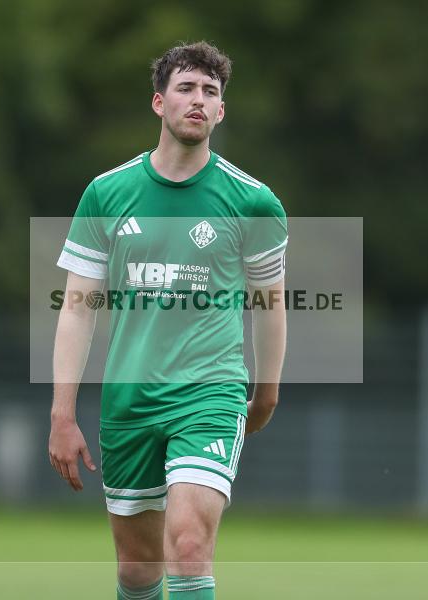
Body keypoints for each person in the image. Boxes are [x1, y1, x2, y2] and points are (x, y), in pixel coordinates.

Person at [48, 41, 288, 600]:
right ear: (159, 102)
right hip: (129, 400)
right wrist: (62, 412)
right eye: (186, 88)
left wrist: (268, 391)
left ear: (221, 111)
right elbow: (78, 310)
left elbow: (270, 305)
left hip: (210, 393)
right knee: (137, 571)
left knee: (187, 546)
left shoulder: (253, 202)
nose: (198, 100)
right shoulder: (107, 193)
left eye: (210, 92)